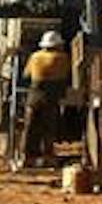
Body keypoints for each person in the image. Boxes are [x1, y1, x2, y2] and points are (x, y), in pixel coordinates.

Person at [17, 30, 71, 169]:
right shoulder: (63, 58)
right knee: (49, 128)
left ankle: (27, 158)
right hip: (51, 97)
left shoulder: (35, 56)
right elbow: (67, 75)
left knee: (30, 127)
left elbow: (26, 75)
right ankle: (48, 157)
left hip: (34, 95)